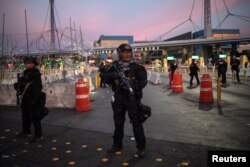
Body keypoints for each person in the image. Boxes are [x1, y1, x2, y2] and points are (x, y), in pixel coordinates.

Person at [105, 43, 147, 158]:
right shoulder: (115, 66)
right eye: (124, 52)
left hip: (132, 99)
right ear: (120, 53)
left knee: (136, 123)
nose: (127, 54)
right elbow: (107, 79)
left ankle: (141, 147)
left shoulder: (136, 67)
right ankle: (117, 145)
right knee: (118, 123)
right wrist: (112, 75)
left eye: (129, 52)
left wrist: (134, 87)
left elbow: (143, 80)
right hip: (119, 98)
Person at [15, 56, 43, 143]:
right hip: (25, 98)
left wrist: (34, 99)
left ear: (33, 64)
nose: (27, 64)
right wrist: (17, 85)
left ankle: (38, 135)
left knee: (35, 117)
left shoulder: (35, 73)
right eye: (26, 63)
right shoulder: (25, 73)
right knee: (25, 116)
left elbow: (38, 87)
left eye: (29, 63)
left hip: (32, 98)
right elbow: (21, 84)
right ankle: (26, 131)